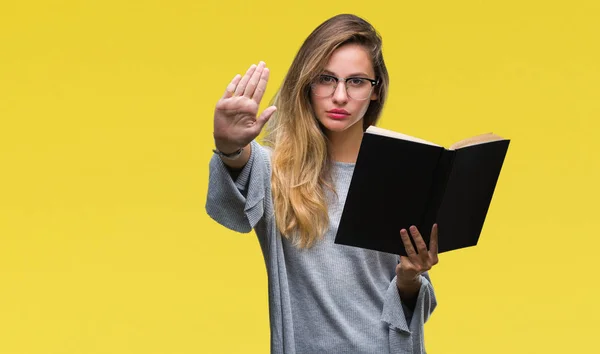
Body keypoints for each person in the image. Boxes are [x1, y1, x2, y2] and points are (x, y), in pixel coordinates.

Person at [206, 13, 439, 354]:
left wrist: (409, 279)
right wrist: (228, 145)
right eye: (326, 79)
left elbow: (413, 308)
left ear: (376, 91)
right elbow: (233, 202)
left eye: (357, 81)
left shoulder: (397, 175)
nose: (340, 96)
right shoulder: (277, 170)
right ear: (307, 84)